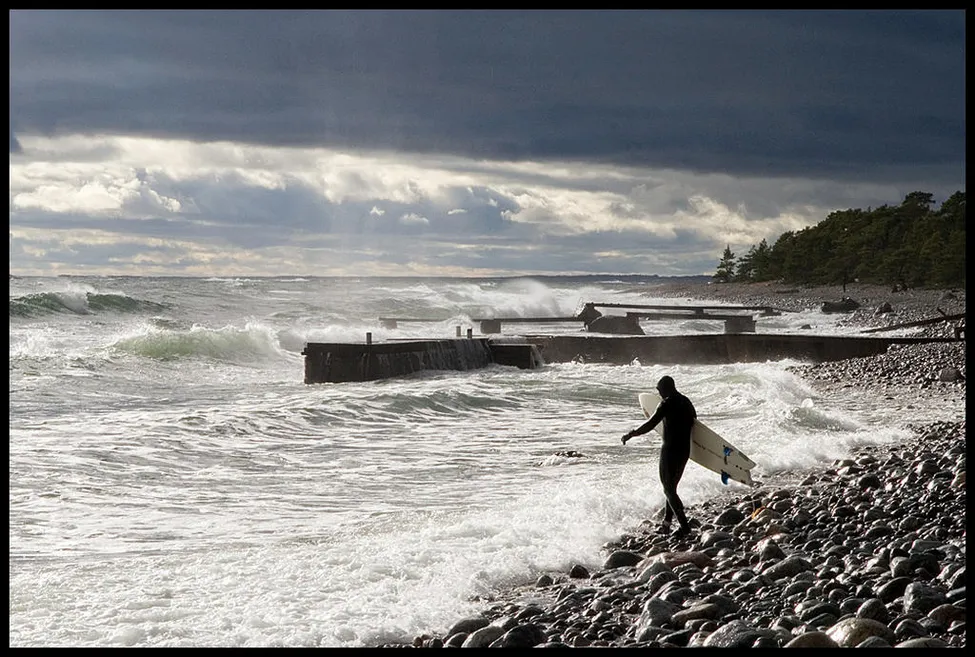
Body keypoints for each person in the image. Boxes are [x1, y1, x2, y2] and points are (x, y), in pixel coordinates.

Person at [621, 375, 696, 538]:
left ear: (667, 388)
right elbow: (695, 422)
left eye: (659, 390)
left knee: (668, 489)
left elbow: (650, 424)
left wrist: (631, 434)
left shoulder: (667, 403)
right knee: (672, 488)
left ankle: (685, 527)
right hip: (684, 450)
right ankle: (666, 524)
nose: (659, 393)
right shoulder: (686, 402)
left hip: (670, 450)